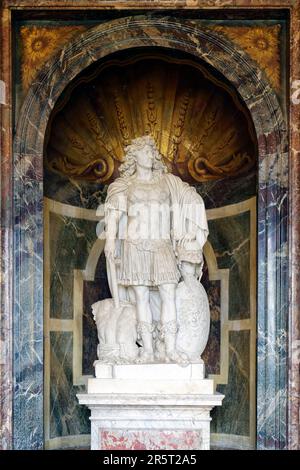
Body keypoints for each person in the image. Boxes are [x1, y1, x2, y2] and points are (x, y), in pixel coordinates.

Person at [104, 135, 208, 363]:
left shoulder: (167, 182)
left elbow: (187, 197)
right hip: (135, 246)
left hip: (162, 245)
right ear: (135, 156)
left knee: (168, 292)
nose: (151, 155)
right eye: (146, 151)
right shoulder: (126, 185)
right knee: (140, 296)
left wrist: (190, 222)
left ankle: (170, 349)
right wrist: (111, 239)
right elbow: (113, 213)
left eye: (152, 152)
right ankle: (148, 350)